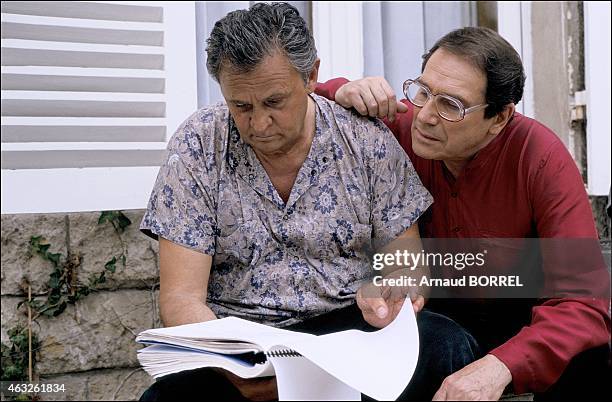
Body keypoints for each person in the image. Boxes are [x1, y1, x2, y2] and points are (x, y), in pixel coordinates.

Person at [138, 3, 479, 401]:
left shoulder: (364, 140)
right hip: (240, 339)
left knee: (445, 345)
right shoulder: (198, 145)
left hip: (351, 330)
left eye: (274, 102)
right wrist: (234, 363)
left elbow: (407, 265)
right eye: (241, 106)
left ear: (312, 76)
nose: (259, 124)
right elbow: (181, 298)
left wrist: (388, 295)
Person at [316, 26, 611, 400]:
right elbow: (295, 99)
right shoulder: (403, 128)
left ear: (499, 117)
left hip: (521, 323)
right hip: (433, 318)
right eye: (423, 92)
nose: (425, 116)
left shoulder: (540, 159)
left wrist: (502, 365)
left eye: (451, 106)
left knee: (589, 357)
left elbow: (583, 301)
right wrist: (340, 89)